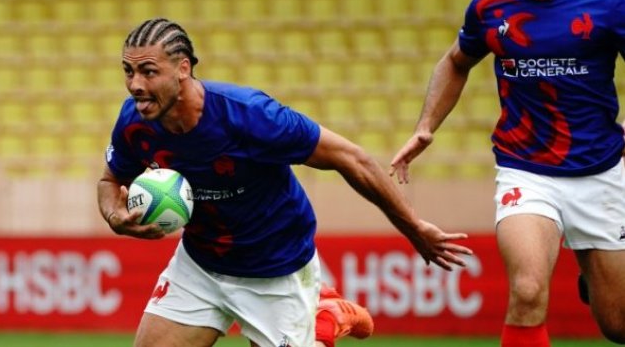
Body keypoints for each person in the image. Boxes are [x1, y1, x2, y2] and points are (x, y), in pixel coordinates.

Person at [99, 18, 472, 347]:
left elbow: (351, 158)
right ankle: (321, 315)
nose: (135, 84)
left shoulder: (250, 116)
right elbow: (110, 178)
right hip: (200, 266)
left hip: (276, 271)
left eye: (148, 72)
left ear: (182, 69)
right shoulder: (134, 122)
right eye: (128, 72)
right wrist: (115, 215)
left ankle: (324, 316)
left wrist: (414, 227)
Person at [390, 0, 625, 345]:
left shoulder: (609, 4)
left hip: (601, 173)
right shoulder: (491, 4)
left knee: (617, 326)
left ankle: (591, 276)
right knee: (528, 289)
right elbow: (456, 61)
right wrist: (426, 126)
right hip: (527, 171)